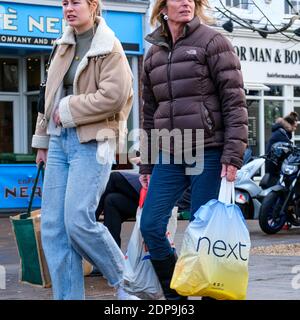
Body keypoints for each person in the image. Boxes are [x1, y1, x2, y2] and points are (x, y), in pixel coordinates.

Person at [139, 0, 248, 300]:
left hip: (210, 151)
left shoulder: (213, 42)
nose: (185, 2)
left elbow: (235, 103)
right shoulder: (153, 55)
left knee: (206, 235)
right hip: (170, 154)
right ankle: (177, 299)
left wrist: (233, 154)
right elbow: (149, 114)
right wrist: (146, 165)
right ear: (162, 7)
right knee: (150, 225)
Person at [32, 0, 138, 300]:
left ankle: (124, 281)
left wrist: (68, 109)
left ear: (93, 6)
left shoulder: (110, 46)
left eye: (75, 2)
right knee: (53, 227)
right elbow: (48, 95)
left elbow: (115, 96)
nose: (68, 7)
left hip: (93, 141)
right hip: (57, 143)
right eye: (64, 2)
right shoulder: (62, 45)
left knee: (77, 220)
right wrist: (41, 141)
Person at [95, 170, 191, 247]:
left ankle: (89, 223)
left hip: (167, 198)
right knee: (111, 200)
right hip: (160, 191)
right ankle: (113, 260)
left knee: (114, 177)